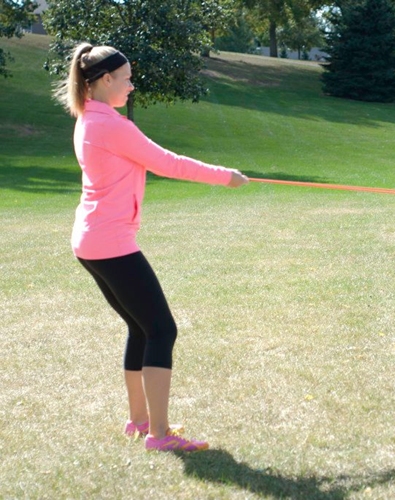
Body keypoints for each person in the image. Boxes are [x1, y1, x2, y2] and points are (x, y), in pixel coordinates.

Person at [53, 43, 249, 451]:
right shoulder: (110, 125)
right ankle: (159, 436)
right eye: (125, 78)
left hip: (92, 240)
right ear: (105, 80)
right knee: (162, 329)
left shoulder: (91, 118)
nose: (131, 85)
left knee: (142, 328)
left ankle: (140, 422)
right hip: (109, 242)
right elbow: (168, 162)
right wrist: (225, 176)